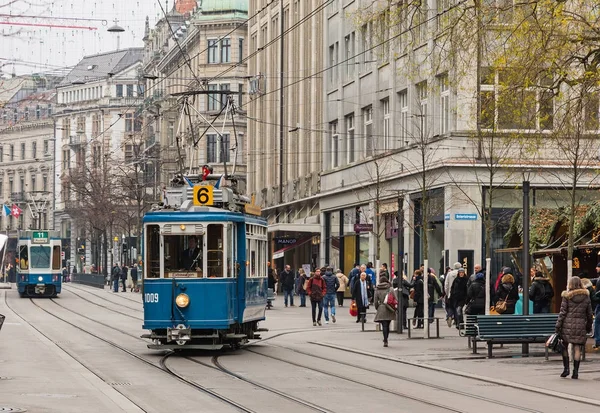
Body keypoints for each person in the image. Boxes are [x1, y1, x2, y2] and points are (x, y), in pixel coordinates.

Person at [555, 276, 593, 379]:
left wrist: (558, 326)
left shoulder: (567, 296)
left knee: (564, 346)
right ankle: (575, 372)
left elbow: (562, 313)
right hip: (580, 325)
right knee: (577, 348)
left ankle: (566, 369)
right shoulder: (586, 297)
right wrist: (588, 326)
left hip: (567, 324)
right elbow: (589, 314)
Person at [374, 276, 396, 347]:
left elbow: (375, 301)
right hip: (389, 308)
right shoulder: (390, 288)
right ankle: (386, 338)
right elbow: (395, 298)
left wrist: (378, 308)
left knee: (384, 325)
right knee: (388, 324)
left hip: (381, 307)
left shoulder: (377, 289)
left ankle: (385, 340)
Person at [444, 262, 462, 327]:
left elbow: (446, 284)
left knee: (450, 306)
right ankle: (457, 321)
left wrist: (447, 292)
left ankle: (449, 316)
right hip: (459, 294)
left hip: (450, 293)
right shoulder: (461, 273)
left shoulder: (449, 273)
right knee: (457, 307)